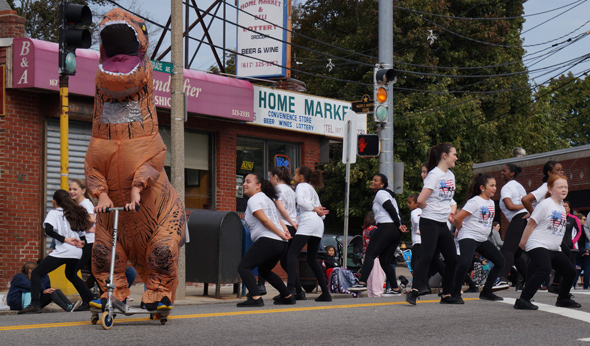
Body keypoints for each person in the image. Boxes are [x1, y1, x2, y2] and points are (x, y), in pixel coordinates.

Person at [19, 190, 95, 314]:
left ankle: (35, 304)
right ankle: (90, 299)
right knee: (71, 274)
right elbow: (82, 235)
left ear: (54, 201)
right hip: (76, 252)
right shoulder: (73, 214)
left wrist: (64, 239)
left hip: (63, 250)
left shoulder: (54, 213)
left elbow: (48, 230)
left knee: (36, 273)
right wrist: (82, 243)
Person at [514, 174, 581, 310]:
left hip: (554, 248)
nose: (564, 189)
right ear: (550, 189)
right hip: (538, 243)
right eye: (560, 187)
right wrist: (523, 243)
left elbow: (559, 231)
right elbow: (531, 224)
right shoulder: (545, 205)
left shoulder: (562, 208)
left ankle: (563, 298)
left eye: (566, 187)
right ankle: (523, 300)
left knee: (570, 272)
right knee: (544, 268)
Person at [406, 143, 459, 305]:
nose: (456, 158)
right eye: (454, 154)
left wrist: (450, 212)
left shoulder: (450, 176)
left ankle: (447, 294)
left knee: (452, 258)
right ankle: (414, 291)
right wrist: (432, 209)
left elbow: (449, 199)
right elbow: (420, 200)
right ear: (444, 156)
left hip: (442, 223)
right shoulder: (434, 175)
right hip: (429, 221)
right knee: (427, 256)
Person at [236, 173, 294, 307]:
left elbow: (264, 219)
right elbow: (277, 219)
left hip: (269, 240)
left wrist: (281, 233)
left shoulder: (255, 199)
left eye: (248, 182)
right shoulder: (267, 199)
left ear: (258, 186)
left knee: (244, 267)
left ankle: (256, 298)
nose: (244, 184)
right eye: (244, 181)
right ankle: (287, 296)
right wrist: (284, 231)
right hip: (280, 243)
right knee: (264, 271)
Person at [452, 174, 508, 303]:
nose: (495, 188)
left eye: (495, 185)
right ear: (482, 187)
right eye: (492, 185)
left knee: (500, 261)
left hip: (482, 239)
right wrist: (461, 230)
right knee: (465, 262)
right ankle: (455, 293)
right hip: (469, 236)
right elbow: (457, 218)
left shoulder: (491, 203)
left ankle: (487, 291)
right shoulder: (475, 201)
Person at [350, 174, 407, 296]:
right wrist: (401, 225)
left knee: (370, 253)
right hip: (394, 231)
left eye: (375, 180)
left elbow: (390, 208)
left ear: (382, 184)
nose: (372, 181)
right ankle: (395, 289)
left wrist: (398, 224)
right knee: (385, 261)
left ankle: (362, 282)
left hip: (387, 227)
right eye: (372, 179)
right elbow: (397, 212)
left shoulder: (381, 193)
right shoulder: (389, 195)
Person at [286, 166, 332, 302]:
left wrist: (312, 209)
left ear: (301, 176)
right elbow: (320, 212)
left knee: (291, 253)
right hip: (318, 224)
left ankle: (289, 291)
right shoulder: (313, 190)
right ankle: (325, 292)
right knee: (311, 258)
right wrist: (317, 211)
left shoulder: (301, 186)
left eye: (295, 174)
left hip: (307, 221)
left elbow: (300, 202)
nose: (293, 177)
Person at [520, 161, 565, 293]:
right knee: (562, 255)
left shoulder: (556, 188)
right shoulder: (546, 187)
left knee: (537, 261)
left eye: (562, 169)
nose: (561, 172)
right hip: (541, 230)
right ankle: (555, 284)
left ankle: (529, 285)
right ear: (549, 173)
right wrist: (535, 215)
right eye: (558, 170)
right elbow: (525, 199)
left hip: (549, 232)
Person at [268, 166, 306, 301]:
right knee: (286, 261)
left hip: (284, 226)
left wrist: (290, 221)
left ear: (276, 177)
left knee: (270, 258)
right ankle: (298, 291)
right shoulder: (290, 190)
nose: (269, 179)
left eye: (270, 176)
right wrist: (294, 222)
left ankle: (289, 290)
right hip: (292, 226)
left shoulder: (278, 189)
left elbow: (281, 209)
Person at [497, 163, 528, 287]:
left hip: (519, 219)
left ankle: (503, 278)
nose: (501, 173)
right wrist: (526, 207)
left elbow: (510, 206)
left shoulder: (507, 187)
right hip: (525, 219)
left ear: (512, 173)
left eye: (504, 171)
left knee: (507, 250)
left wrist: (524, 206)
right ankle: (530, 279)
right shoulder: (520, 186)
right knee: (517, 254)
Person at [9, 261, 80, 312]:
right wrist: (43, 290)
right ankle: (68, 308)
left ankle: (70, 306)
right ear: (30, 270)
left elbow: (45, 287)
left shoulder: (41, 277)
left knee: (55, 291)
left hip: (33, 302)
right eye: (36, 270)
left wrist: (44, 278)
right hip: (17, 303)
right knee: (51, 293)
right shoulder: (19, 277)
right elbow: (31, 286)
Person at [69, 179, 96, 290]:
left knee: (72, 271)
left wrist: (85, 229)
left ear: (83, 190)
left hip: (88, 242)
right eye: (70, 189)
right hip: (87, 241)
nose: (72, 191)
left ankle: (87, 296)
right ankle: (92, 297)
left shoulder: (85, 203)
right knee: (94, 272)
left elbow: (91, 218)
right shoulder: (79, 204)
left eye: (75, 189)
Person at [360, 211, 386, 297]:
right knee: (377, 277)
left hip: (367, 255)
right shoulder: (375, 230)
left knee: (370, 279)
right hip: (375, 256)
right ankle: (377, 294)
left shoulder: (365, 230)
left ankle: (371, 295)